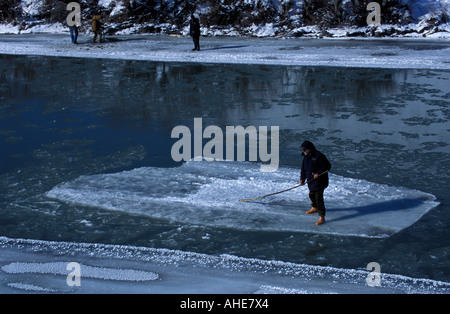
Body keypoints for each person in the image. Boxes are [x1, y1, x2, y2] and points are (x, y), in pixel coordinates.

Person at [299, 140, 332, 225]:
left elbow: (327, 166)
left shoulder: (319, 156)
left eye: (304, 149)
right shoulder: (305, 157)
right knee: (311, 195)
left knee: (318, 198)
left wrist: (318, 173)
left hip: (320, 181)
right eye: (302, 150)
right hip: (311, 181)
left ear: (309, 149)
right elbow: (303, 169)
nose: (303, 151)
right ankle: (314, 207)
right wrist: (302, 179)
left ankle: (322, 217)